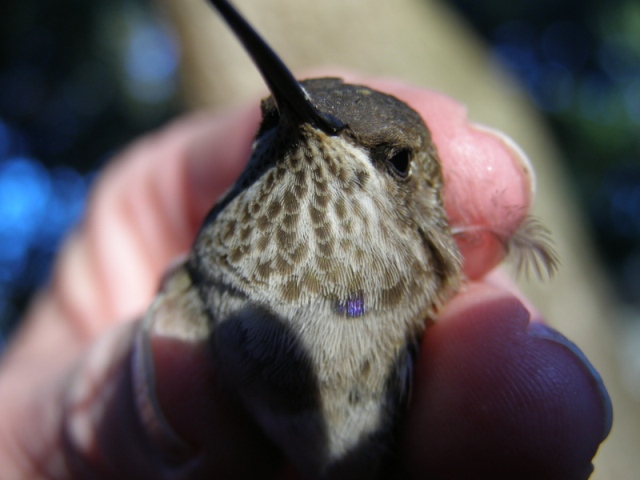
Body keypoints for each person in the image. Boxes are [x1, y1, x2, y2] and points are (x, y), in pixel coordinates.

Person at [0, 77, 611, 479]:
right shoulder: (185, 290)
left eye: (397, 162)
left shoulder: (417, 332)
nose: (300, 132)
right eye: (272, 126)